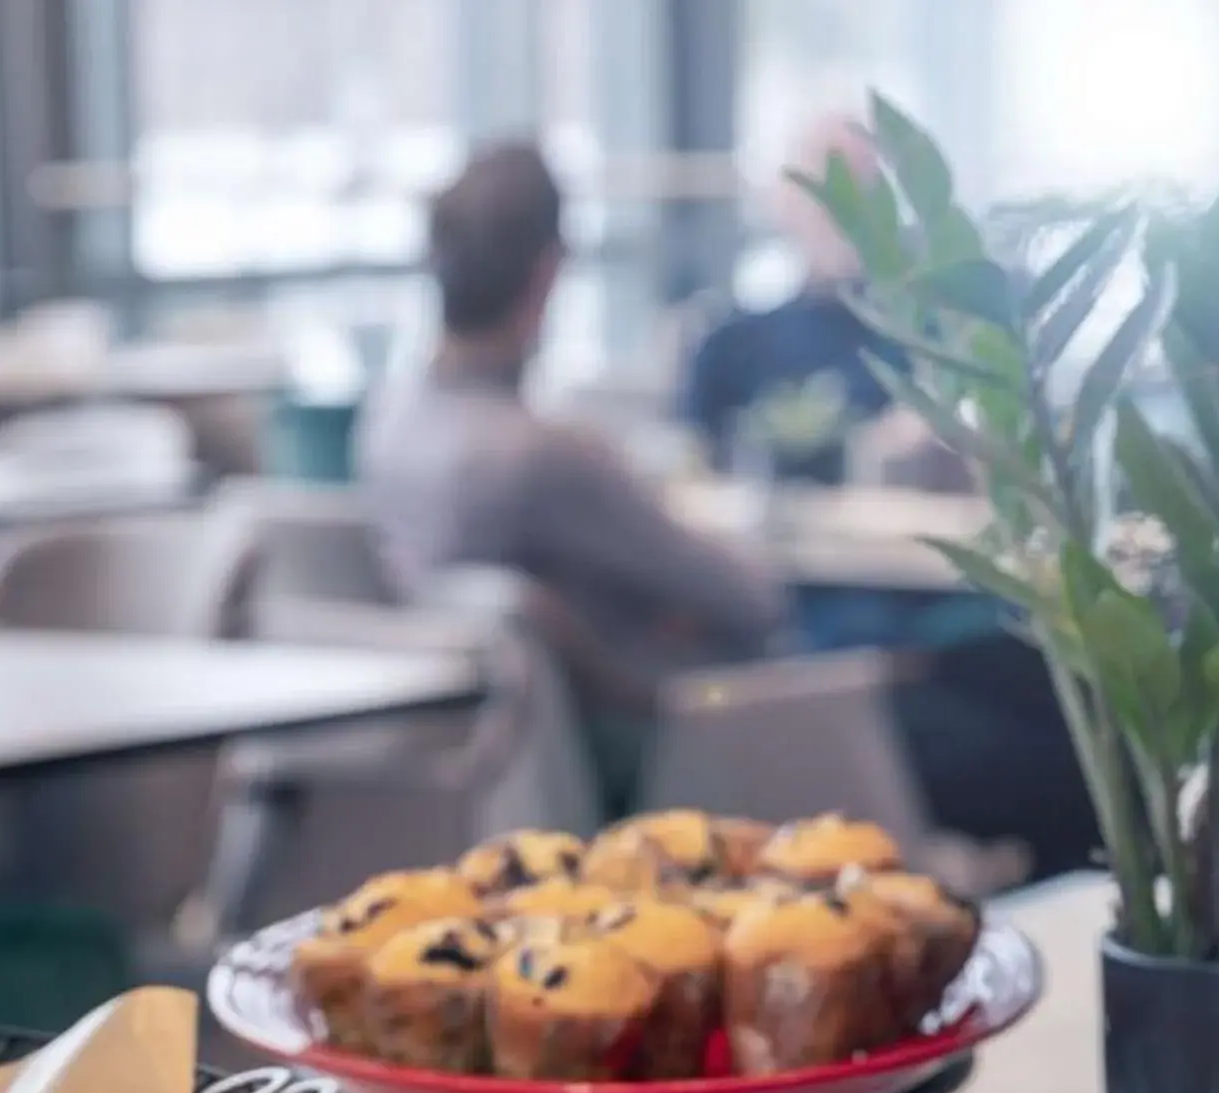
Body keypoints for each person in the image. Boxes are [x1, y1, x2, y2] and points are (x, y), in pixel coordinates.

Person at [359, 142, 786, 806]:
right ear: (548, 274)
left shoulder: (386, 425)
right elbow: (752, 602)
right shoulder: (544, 456)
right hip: (645, 766)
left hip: (461, 778)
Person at [679, 116, 901, 484]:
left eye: (861, 181)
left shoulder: (930, 350)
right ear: (784, 199)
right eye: (824, 183)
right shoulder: (728, 345)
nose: (842, 207)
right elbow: (690, 474)